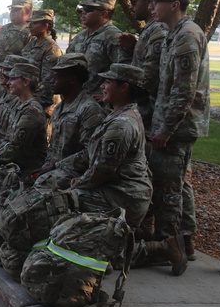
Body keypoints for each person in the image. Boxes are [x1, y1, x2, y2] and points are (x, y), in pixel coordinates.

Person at [145, 0, 210, 267]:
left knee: (168, 188)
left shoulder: (186, 35)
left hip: (177, 127)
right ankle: (184, 243)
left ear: (174, 4)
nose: (151, 6)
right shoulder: (175, 33)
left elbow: (185, 89)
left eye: (158, 1)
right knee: (177, 185)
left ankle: (169, 248)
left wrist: (166, 129)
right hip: (170, 123)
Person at [56, 63, 153, 232]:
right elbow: (91, 155)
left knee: (62, 201)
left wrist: (77, 184)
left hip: (123, 197)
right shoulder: (118, 116)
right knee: (55, 184)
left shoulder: (121, 125)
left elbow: (102, 170)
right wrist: (58, 165)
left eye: (108, 82)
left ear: (124, 87)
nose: (102, 86)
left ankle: (149, 248)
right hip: (115, 190)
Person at [34, 53, 105, 177]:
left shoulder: (89, 110)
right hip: (55, 171)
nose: (51, 80)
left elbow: (91, 152)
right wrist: (47, 166)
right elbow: (54, 148)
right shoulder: (59, 108)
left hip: (75, 175)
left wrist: (56, 166)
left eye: (57, 76)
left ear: (72, 79)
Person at [0, 62, 47, 176]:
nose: (8, 82)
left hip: (24, 171)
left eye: (13, 79)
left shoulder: (31, 111)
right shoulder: (21, 106)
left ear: (26, 82)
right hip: (12, 166)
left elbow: (16, 148)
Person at [119, 0, 166, 131]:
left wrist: (120, 91)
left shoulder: (158, 30)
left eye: (134, 1)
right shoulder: (149, 29)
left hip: (150, 114)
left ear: (149, 1)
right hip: (142, 110)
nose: (131, 7)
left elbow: (150, 77)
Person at [67, 0, 133, 99]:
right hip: (76, 98)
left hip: (99, 102)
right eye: (82, 9)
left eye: (88, 9)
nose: (83, 13)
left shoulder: (113, 37)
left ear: (104, 14)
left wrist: (107, 96)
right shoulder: (80, 36)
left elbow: (123, 71)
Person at [20, 9, 63, 110]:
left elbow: (49, 83)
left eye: (35, 23)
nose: (30, 26)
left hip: (42, 105)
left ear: (46, 26)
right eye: (30, 23)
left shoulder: (51, 49)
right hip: (29, 100)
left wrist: (37, 105)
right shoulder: (31, 44)